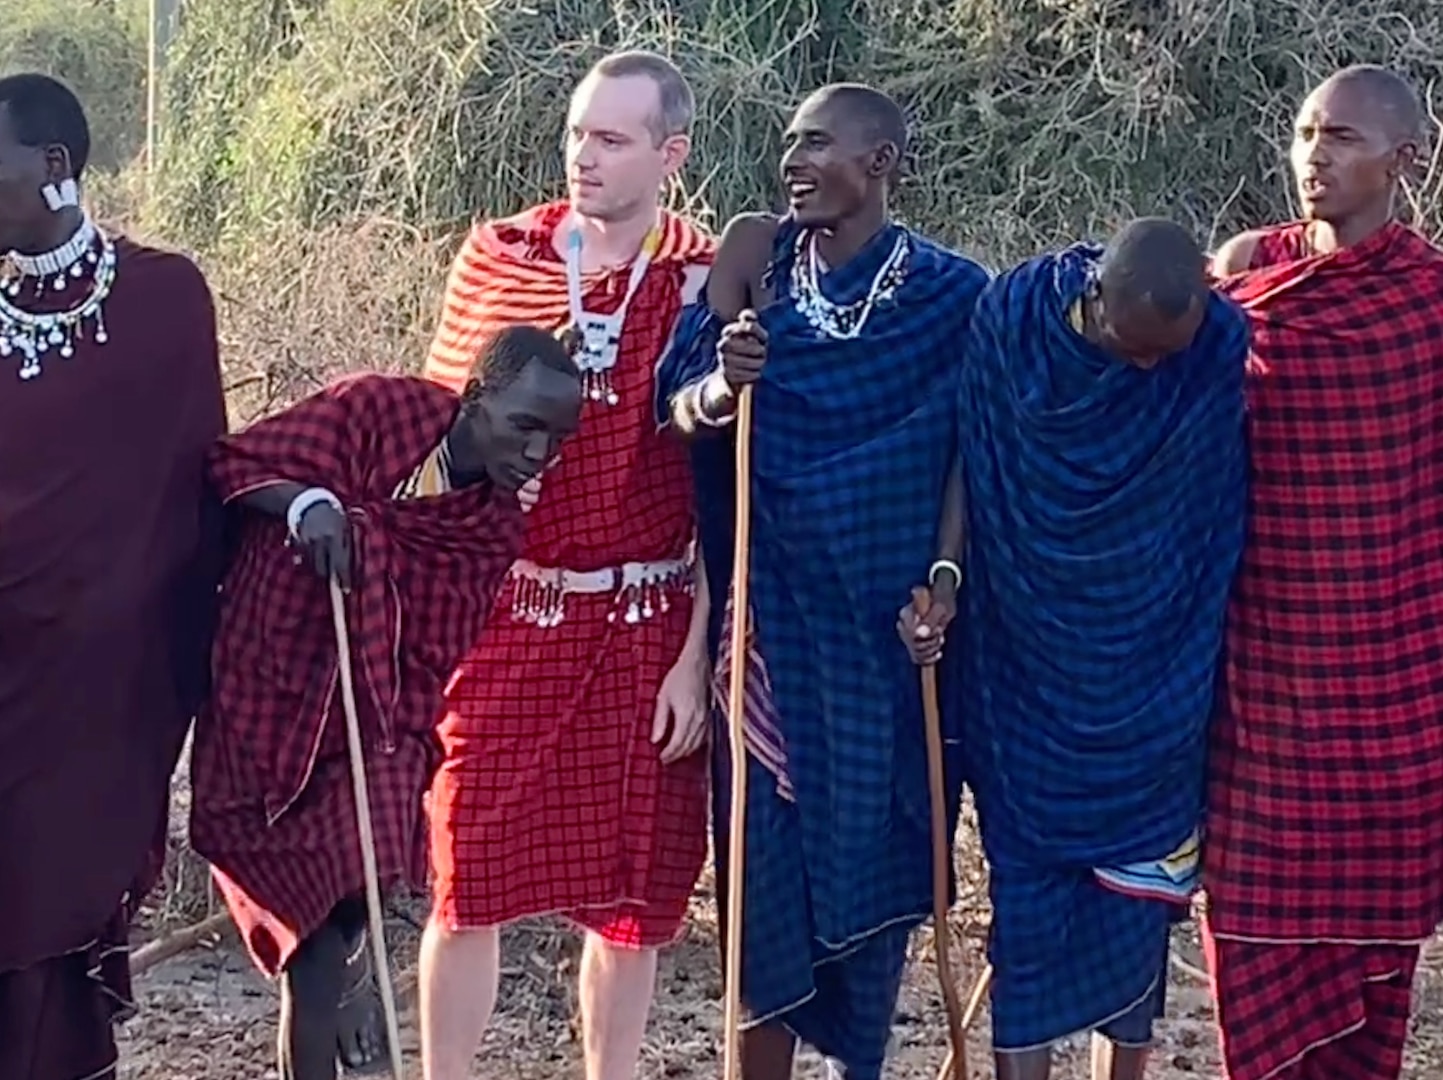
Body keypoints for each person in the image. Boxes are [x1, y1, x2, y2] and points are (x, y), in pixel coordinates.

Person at [658, 83, 990, 1080]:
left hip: (888, 651)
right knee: (762, 912)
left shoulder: (952, 295)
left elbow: (970, 455)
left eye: (815, 145)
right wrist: (726, 382)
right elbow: (676, 410)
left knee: (874, 886)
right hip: (769, 643)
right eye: (788, 145)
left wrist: (944, 578)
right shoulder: (755, 281)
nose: (792, 162)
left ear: (879, 162)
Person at [417, 50, 715, 1080]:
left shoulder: (704, 284)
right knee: (465, 877)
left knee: (633, 902)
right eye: (577, 133)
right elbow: (435, 443)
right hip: (510, 620)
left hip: (646, 627)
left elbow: (728, 500)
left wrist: (697, 658)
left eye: (612, 139)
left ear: (669, 154)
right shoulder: (500, 259)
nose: (582, 156)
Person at [899, 219, 1249, 1080]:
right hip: (1027, 670)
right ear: (1093, 294)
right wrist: (946, 579)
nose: (1143, 370)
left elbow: (1209, 515)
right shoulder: (1011, 319)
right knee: (1029, 905)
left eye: (1160, 355)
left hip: (1154, 681)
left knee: (1130, 925)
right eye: (1132, 348)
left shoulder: (1209, 351)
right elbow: (970, 464)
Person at [189, 325, 583, 1080]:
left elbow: (432, 662)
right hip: (267, 694)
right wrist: (308, 505)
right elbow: (239, 462)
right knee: (315, 938)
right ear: (476, 398)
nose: (538, 456)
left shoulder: (492, 530)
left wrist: (396, 743)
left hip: (375, 722)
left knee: (324, 937)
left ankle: (352, 969)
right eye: (524, 427)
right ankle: (351, 974)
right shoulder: (378, 411)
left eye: (557, 441)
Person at [1204, 64, 1443, 1080]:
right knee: (1252, 961)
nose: (1314, 156)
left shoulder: (1429, 307)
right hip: (1260, 685)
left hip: (1398, 693)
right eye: (1305, 132)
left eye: (1342, 137)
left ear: (1406, 160)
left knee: (1373, 986)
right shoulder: (1245, 275)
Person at [0, 74, 227, 1080]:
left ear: (54, 169)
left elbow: (204, 483)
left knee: (52, 904)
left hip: (103, 693)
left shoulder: (164, 299)